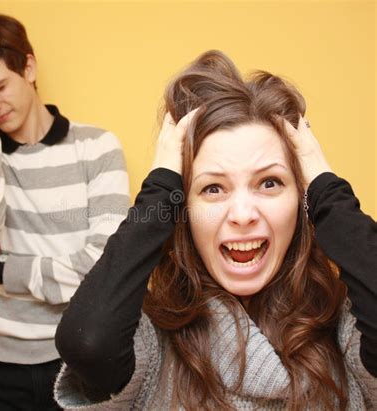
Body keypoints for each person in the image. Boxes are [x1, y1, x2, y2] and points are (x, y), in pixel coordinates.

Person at [54, 50, 376, 410]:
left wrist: (326, 189)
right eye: (213, 188)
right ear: (182, 212)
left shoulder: (350, 331)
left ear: (302, 201)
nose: (242, 214)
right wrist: (160, 190)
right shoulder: (149, 345)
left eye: (269, 183)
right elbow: (88, 342)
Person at [0, 13, 130, 410]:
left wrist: (3, 268)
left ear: (29, 66)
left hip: (82, 357)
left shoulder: (97, 147)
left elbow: (103, 273)